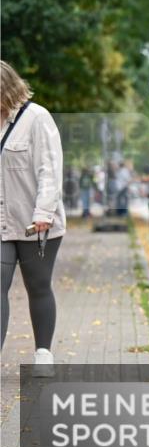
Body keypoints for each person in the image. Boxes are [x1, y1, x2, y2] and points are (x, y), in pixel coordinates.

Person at [0, 61, 66, 377]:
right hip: (2, 222)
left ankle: (43, 354)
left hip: (35, 224)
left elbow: (50, 169)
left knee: (38, 286)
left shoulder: (36, 118)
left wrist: (43, 213)